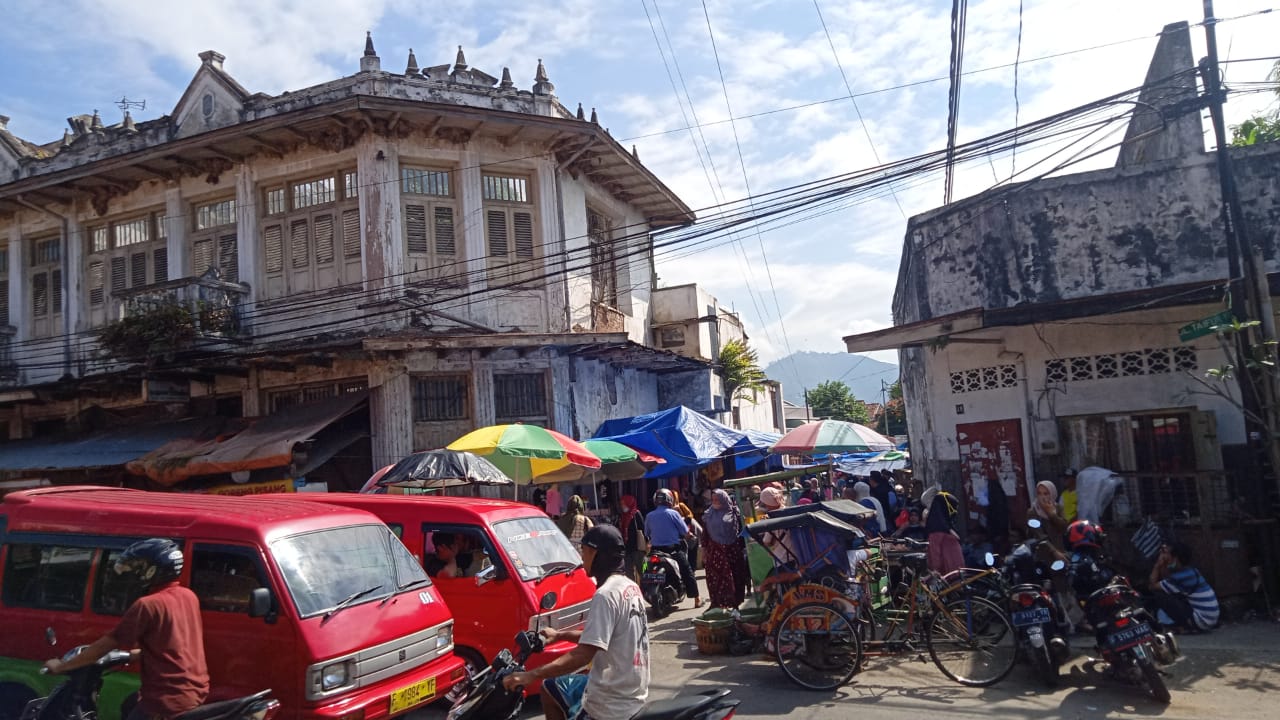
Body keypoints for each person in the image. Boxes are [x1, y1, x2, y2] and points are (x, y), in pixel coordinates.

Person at [44, 539, 209, 720]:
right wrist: (133, 656)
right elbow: (173, 644)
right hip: (193, 691)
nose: (134, 572)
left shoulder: (147, 605)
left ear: (154, 570)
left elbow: (105, 646)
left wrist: (62, 666)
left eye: (140, 566)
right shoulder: (188, 596)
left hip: (166, 701)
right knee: (129, 704)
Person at [503, 525, 649, 720]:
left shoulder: (605, 595)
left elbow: (582, 655)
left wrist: (531, 675)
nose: (582, 558)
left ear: (596, 554)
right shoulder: (630, 587)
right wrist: (559, 635)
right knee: (549, 688)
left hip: (611, 702)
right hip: (630, 687)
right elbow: (601, 638)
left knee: (546, 683)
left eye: (585, 552)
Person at [643, 489, 701, 608]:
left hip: (655, 551)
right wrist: (690, 536)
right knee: (687, 570)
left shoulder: (649, 515)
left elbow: (646, 533)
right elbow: (685, 531)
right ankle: (697, 599)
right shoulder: (673, 513)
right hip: (672, 550)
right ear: (669, 499)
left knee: (645, 569)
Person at [1147, 541, 1219, 633]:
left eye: (1166, 554)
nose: (1164, 556)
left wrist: (1157, 565)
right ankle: (1184, 627)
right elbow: (1166, 581)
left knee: (1159, 595)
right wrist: (1163, 564)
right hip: (1208, 620)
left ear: (1175, 558)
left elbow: (1152, 586)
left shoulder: (1183, 577)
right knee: (1168, 593)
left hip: (1202, 621)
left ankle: (1184, 627)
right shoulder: (1192, 572)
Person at [701, 489, 749, 609]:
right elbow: (704, 534)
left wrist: (744, 548)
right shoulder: (709, 514)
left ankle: (735, 604)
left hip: (732, 552)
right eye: (713, 500)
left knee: (735, 577)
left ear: (724, 499)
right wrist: (704, 551)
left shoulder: (734, 512)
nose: (715, 502)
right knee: (716, 580)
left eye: (717, 499)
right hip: (715, 554)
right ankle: (716, 604)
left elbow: (742, 531)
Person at [921, 485, 964, 575]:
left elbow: (935, 556)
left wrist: (934, 572)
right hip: (958, 573)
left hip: (947, 574)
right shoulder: (949, 529)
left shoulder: (936, 531)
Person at [1028, 480, 1069, 551]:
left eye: (1046, 494)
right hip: (1043, 552)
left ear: (1052, 494)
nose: (1042, 497)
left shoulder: (1058, 508)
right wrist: (1055, 552)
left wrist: (1052, 515)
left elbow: (1064, 528)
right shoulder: (1033, 512)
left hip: (1060, 549)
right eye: (1039, 493)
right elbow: (1039, 535)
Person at [616, 495, 647, 583]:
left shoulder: (636, 514)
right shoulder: (622, 516)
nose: (622, 506)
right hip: (627, 549)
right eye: (621, 504)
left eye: (624, 504)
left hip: (638, 548)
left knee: (643, 569)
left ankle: (648, 591)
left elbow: (642, 528)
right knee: (628, 572)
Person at [985, 477, 1010, 555]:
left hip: (998, 532)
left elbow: (1001, 518)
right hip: (996, 532)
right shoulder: (999, 500)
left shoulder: (997, 503)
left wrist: (999, 533)